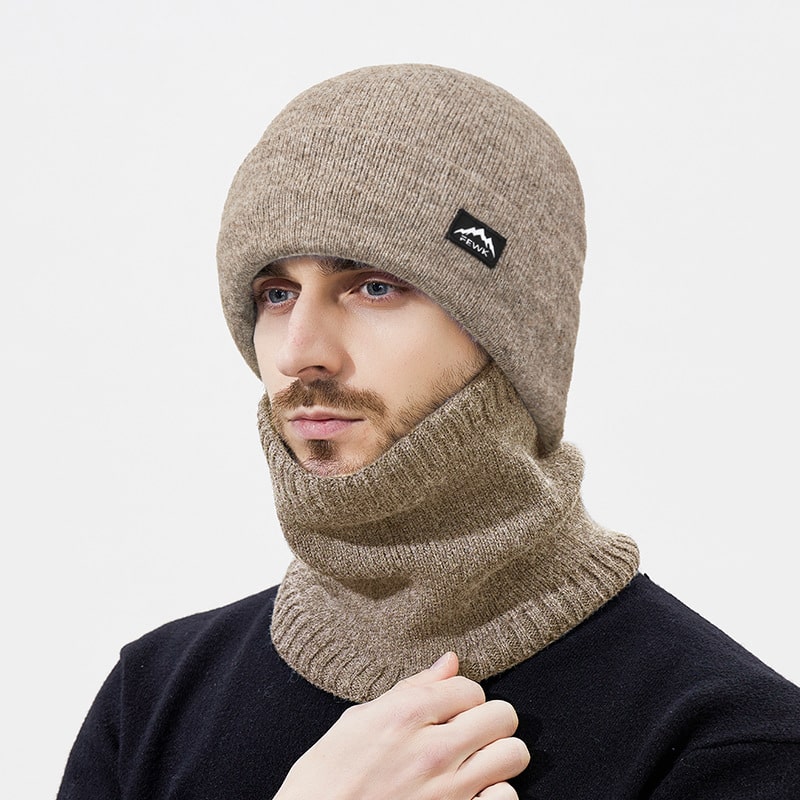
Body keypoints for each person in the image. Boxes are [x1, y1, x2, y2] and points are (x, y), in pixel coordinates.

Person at [58, 64, 800, 799]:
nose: (298, 351)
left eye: (374, 286)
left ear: (512, 339)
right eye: (277, 294)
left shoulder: (732, 745)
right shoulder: (151, 700)